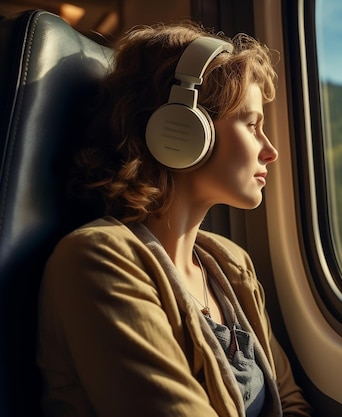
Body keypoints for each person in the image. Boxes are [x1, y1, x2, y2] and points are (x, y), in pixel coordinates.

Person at [37, 22, 312, 417]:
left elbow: (290, 402)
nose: (270, 151)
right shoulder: (98, 261)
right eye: (252, 124)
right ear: (180, 131)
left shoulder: (230, 265)